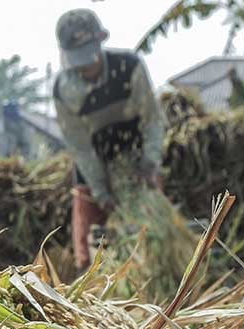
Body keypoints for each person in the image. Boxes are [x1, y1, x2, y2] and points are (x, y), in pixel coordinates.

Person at [53, 8, 166, 269]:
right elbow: (79, 146)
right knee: (89, 251)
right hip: (91, 174)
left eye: (90, 57)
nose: (87, 66)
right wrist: (101, 192)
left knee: (154, 241)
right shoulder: (64, 89)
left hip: (136, 168)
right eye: (79, 61)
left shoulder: (129, 68)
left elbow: (151, 119)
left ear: (101, 41)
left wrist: (150, 163)